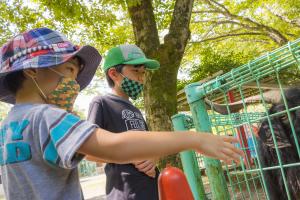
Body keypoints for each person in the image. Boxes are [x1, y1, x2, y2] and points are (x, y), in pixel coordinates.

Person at [0, 27, 243, 200]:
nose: (74, 83)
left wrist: (153, 157)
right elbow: (112, 146)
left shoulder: (9, 125)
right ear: (32, 70)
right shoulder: (47, 116)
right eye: (69, 69)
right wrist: (194, 138)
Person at [88, 44, 161, 200]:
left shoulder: (135, 110)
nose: (141, 78)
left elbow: (149, 147)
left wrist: (154, 158)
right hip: (125, 193)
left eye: (143, 72)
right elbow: (87, 152)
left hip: (151, 190)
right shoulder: (101, 103)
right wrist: (128, 157)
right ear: (114, 74)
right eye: (135, 71)